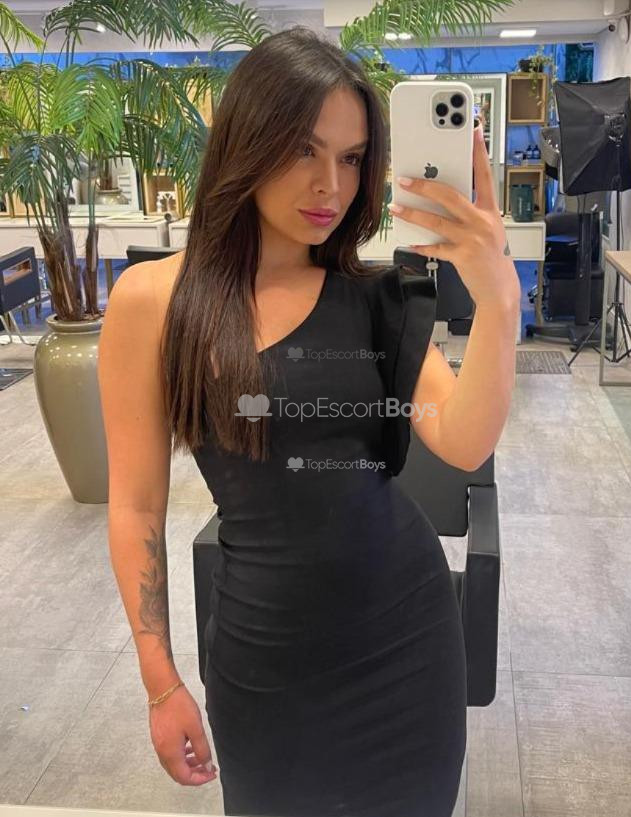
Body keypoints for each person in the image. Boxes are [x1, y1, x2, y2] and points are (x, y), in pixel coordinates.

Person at [97, 25, 520, 817]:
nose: (330, 183)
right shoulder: (153, 303)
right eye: (303, 149)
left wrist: (499, 297)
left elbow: (463, 440)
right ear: (246, 143)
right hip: (266, 662)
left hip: (407, 643)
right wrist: (160, 682)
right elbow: (136, 507)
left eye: (352, 158)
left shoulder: (373, 296)